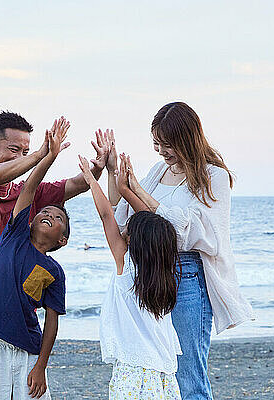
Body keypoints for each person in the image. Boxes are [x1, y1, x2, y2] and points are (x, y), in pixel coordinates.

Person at [0, 111, 111, 400]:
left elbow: (75, 185)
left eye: (25, 151)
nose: (20, 156)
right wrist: (42, 155)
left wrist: (98, 168)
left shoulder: (27, 198)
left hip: (16, 313)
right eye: (13, 150)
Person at [107, 102, 254, 399]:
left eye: (167, 144)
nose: (162, 152)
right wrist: (113, 172)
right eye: (156, 144)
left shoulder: (214, 177)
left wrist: (138, 190)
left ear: (187, 139)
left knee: (187, 373)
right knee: (156, 369)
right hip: (150, 274)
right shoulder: (158, 171)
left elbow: (197, 234)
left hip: (187, 277)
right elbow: (122, 213)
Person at [0, 117, 71, 400]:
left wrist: (41, 365)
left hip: (30, 349)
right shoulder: (14, 237)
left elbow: (52, 321)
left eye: (58, 217)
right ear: (30, 221)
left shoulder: (54, 271)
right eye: (45, 212)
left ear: (62, 240)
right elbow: (30, 188)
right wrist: (48, 156)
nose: (49, 215)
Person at [78, 153, 182, 400]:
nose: (123, 228)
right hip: (163, 371)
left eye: (128, 228)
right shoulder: (163, 272)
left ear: (135, 240)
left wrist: (93, 181)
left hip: (131, 368)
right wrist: (124, 189)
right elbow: (154, 224)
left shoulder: (126, 266)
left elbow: (106, 216)